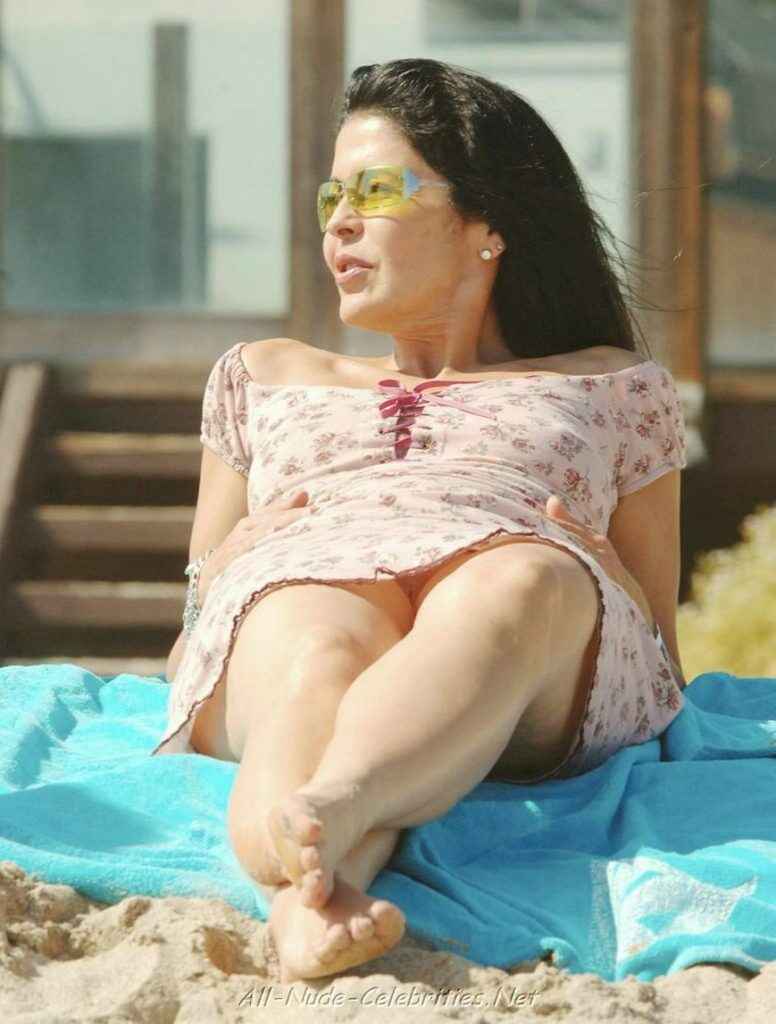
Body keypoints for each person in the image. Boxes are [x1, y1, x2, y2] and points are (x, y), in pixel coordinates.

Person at [151, 58, 688, 983]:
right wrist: (217, 575)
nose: (339, 223)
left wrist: (613, 582)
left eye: (375, 191)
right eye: (332, 197)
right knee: (309, 626)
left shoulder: (616, 385)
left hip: (532, 638)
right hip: (307, 586)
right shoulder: (261, 374)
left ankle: (332, 805)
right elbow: (185, 651)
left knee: (521, 577)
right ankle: (312, 885)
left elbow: (665, 662)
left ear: (487, 223)